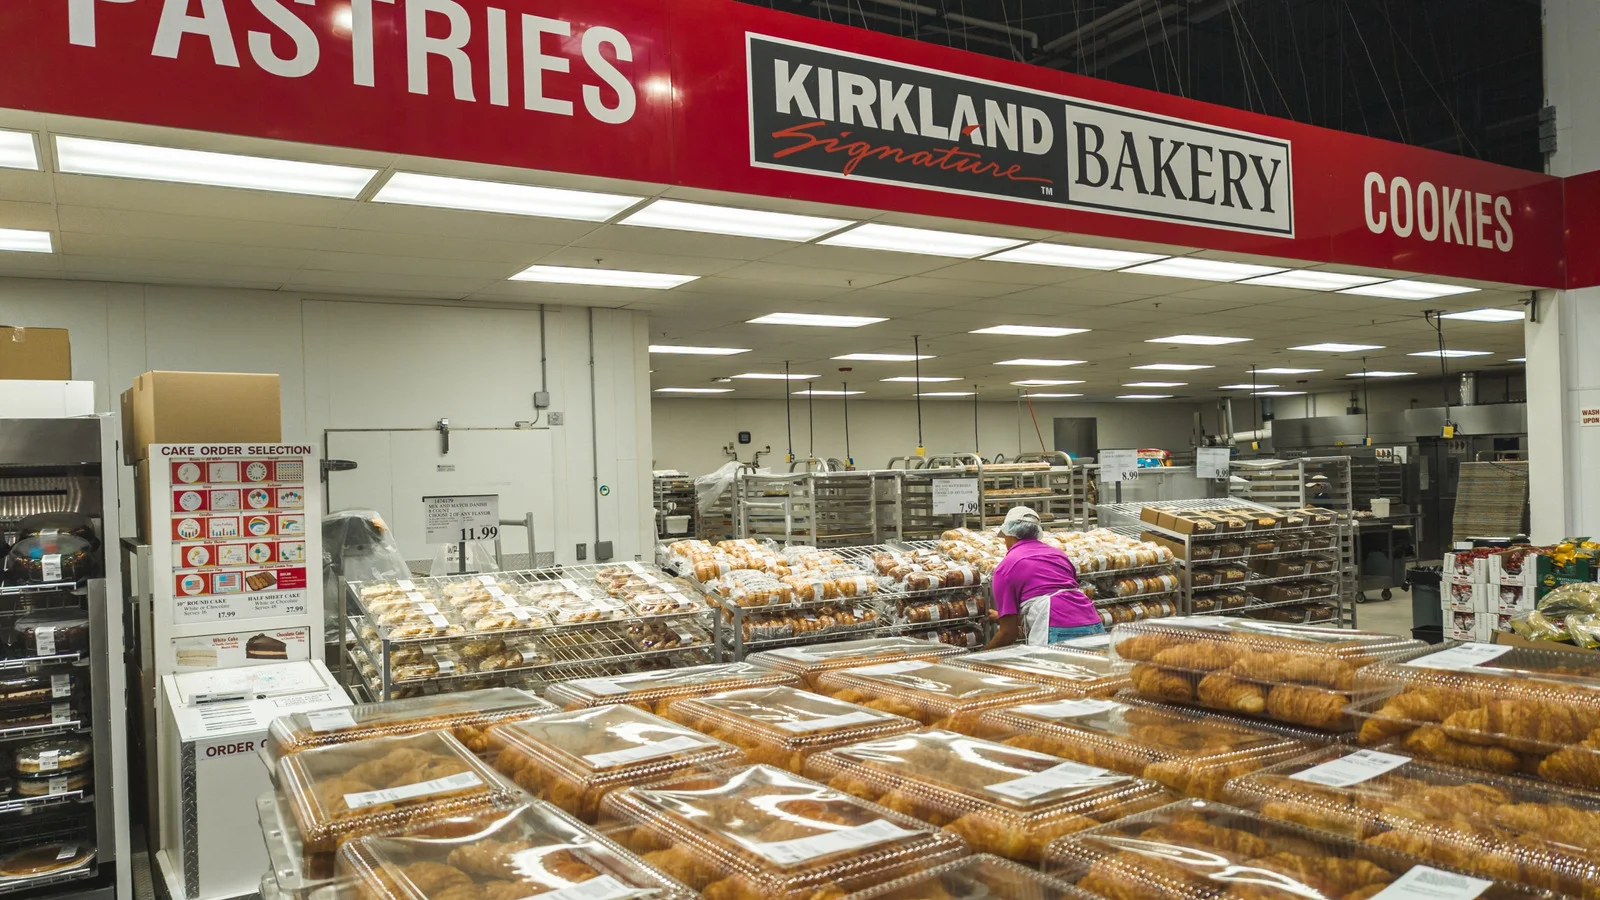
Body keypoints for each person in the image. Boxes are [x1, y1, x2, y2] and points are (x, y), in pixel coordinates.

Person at [985, 506, 1104, 648]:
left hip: (1057, 628)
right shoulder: (1059, 555)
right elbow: (1056, 596)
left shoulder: (1006, 567)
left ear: (1010, 534)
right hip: (1092, 622)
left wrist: (977, 658)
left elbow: (1008, 634)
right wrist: (1002, 616)